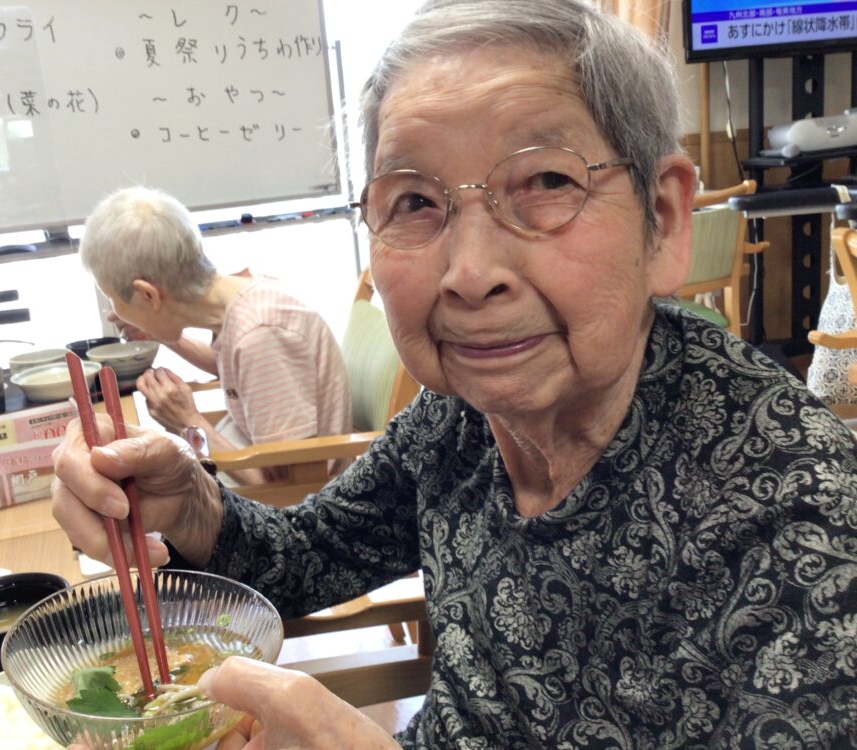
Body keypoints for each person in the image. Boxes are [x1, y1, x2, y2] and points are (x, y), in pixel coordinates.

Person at [54, 1, 857, 747]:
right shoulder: (457, 418)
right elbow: (310, 553)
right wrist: (191, 501)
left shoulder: (805, 520)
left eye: (547, 182)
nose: (469, 274)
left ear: (664, 219)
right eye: (413, 201)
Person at [79, 186, 352, 484]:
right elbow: (238, 369)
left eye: (112, 300)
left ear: (147, 294)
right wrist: (163, 334)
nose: (114, 310)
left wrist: (188, 422)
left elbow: (287, 488)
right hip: (255, 455)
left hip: (302, 505)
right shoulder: (241, 297)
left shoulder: (261, 335)